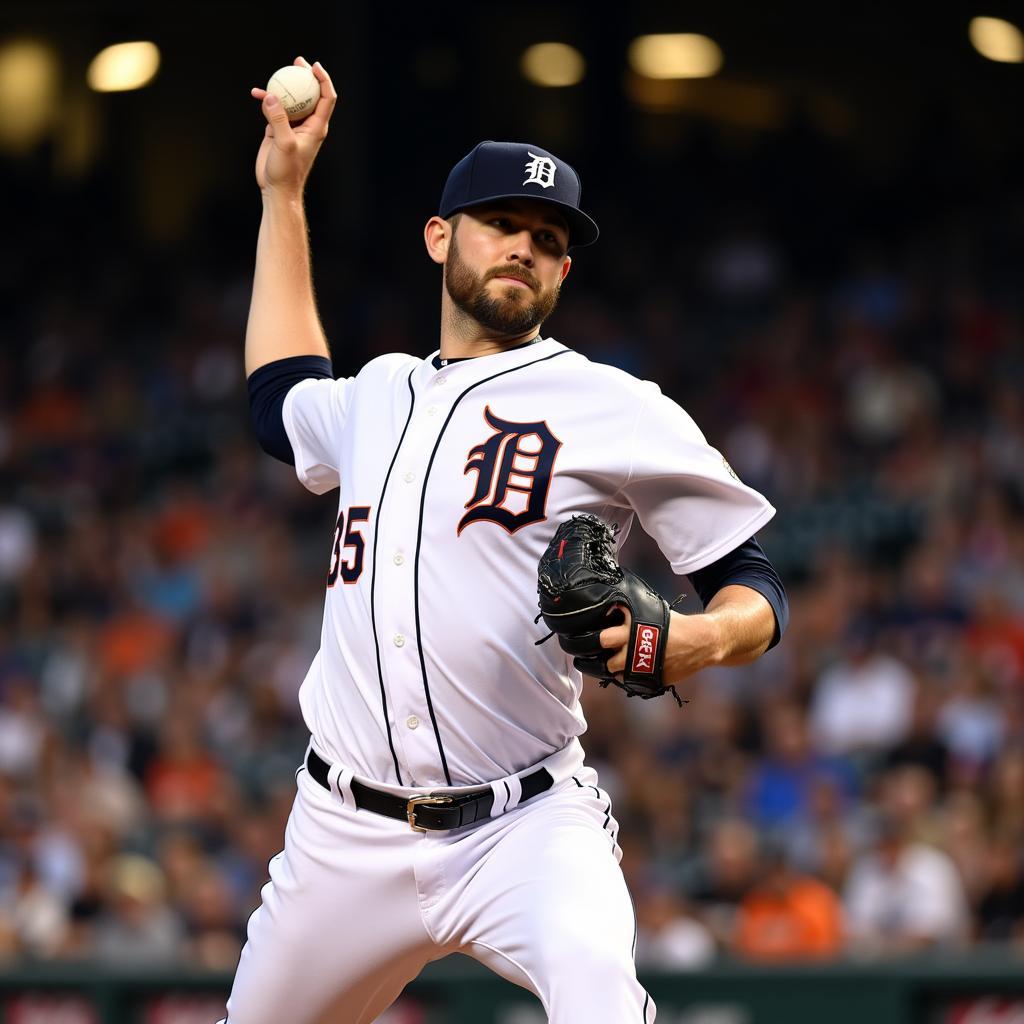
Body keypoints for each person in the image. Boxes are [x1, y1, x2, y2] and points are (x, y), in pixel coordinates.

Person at [222, 57, 788, 1024]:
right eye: (503, 224)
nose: (526, 245)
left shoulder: (613, 405)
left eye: (549, 238)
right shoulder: (376, 394)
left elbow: (756, 586)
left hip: (523, 824)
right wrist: (283, 192)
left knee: (602, 1004)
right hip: (341, 832)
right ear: (441, 236)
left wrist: (698, 638)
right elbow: (277, 400)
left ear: (565, 270)